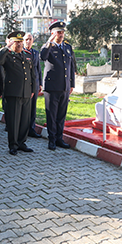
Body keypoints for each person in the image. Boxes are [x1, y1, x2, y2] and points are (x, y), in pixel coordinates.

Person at [0, 31, 35, 155]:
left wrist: (33, 89)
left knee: (24, 120)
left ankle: (22, 142)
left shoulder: (27, 55)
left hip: (26, 92)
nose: (19, 44)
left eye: (20, 42)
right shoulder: (7, 55)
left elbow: (32, 74)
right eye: (16, 42)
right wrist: (7, 47)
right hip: (13, 93)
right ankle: (13, 145)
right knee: (14, 121)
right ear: (12, 43)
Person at [41, 21, 76, 151]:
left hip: (65, 87)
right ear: (53, 33)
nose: (61, 34)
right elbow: (43, 56)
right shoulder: (49, 47)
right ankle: (51, 140)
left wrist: (72, 84)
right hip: (52, 87)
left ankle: (59, 138)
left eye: (62, 32)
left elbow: (71, 66)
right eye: (58, 32)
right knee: (52, 115)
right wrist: (49, 42)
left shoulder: (67, 47)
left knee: (61, 115)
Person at [23, 33, 42, 138]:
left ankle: (32, 128)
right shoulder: (21, 53)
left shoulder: (35, 53)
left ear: (33, 41)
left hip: (35, 84)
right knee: (25, 108)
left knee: (33, 108)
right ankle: (24, 130)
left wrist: (40, 84)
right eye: (26, 39)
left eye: (30, 39)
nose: (28, 41)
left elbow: (38, 69)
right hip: (25, 85)